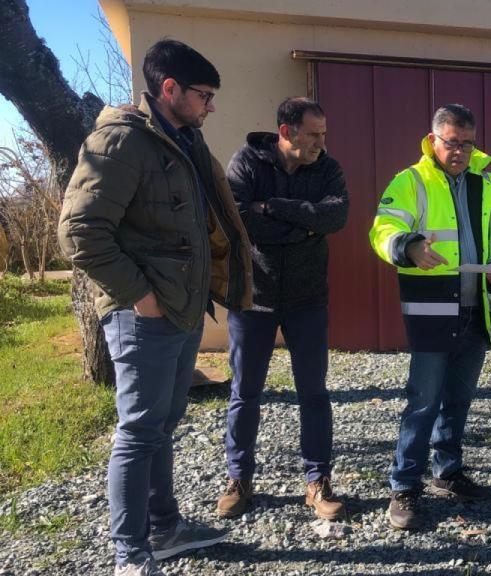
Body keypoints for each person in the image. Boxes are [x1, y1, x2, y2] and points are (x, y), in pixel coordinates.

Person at [57, 39, 253, 576]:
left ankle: (164, 528)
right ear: (169, 89)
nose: (211, 106)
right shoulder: (122, 142)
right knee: (139, 429)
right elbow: (79, 233)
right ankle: (130, 554)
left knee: (162, 426)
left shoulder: (182, 140)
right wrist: (140, 298)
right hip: (145, 313)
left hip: (183, 309)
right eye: (204, 95)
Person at [369, 104, 491, 530]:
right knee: (423, 401)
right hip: (432, 308)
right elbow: (382, 229)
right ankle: (404, 486)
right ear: (433, 140)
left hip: (476, 311)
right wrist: (410, 246)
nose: (459, 151)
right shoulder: (411, 181)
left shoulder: (487, 184)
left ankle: (447, 471)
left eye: (467, 142)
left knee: (458, 399)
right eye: (452, 142)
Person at [215, 98, 349, 521]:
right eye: (314, 134)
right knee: (245, 392)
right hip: (254, 298)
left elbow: (336, 216)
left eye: (324, 133)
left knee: (314, 393)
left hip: (309, 300)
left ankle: (317, 481)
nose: (321, 142)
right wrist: (304, 228)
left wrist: (272, 206)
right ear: (286, 131)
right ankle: (239, 478)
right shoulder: (247, 163)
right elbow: (236, 218)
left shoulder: (327, 168)